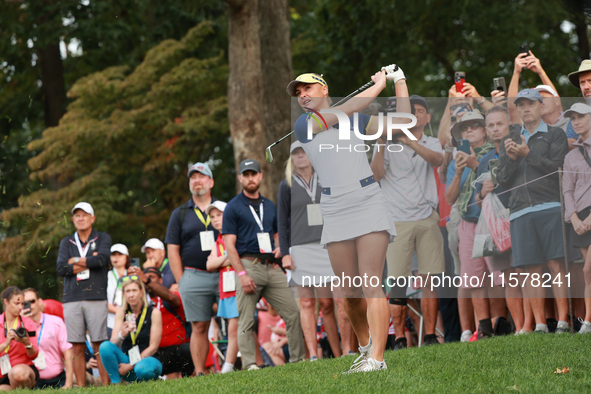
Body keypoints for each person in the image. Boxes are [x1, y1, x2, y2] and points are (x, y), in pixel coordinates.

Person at [287, 67, 409, 373]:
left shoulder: (355, 120)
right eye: (298, 93)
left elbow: (404, 123)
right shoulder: (305, 125)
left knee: (370, 282)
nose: (303, 96)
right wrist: (378, 85)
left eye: (308, 89)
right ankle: (367, 348)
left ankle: (378, 359)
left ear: (324, 89)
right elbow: (349, 107)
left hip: (367, 199)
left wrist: (399, 81)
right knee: (350, 294)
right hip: (334, 206)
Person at [371, 94, 445, 348]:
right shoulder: (386, 142)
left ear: (426, 116)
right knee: (399, 282)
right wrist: (382, 141)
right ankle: (400, 338)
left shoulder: (431, 140)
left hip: (427, 218)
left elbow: (437, 160)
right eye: (409, 111)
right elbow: (376, 175)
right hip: (398, 221)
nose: (414, 115)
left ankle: (430, 335)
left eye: (419, 110)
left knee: (430, 279)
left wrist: (408, 141)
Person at [497, 88, 570, 333]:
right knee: (530, 269)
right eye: (521, 105)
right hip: (519, 211)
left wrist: (528, 154)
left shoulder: (555, 134)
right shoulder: (510, 138)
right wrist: (512, 157)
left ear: (540, 106)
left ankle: (562, 321)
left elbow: (557, 169)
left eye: (530, 104)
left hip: (549, 205)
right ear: (517, 110)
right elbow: (503, 180)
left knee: (556, 264)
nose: (526, 108)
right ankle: (539, 324)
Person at [222, 159, 306, 371]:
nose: (250, 178)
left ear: (260, 176)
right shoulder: (232, 207)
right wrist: (241, 274)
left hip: (272, 266)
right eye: (246, 174)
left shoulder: (268, 205)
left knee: (293, 312)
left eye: (254, 174)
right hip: (248, 265)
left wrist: (279, 251)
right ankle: (251, 364)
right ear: (240, 178)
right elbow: (229, 245)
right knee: (246, 319)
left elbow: (276, 235)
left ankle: (298, 361)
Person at [277, 141, 343, 360]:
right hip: (300, 249)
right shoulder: (286, 185)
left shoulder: (326, 178)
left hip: (327, 245)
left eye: (303, 151)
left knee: (329, 303)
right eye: (295, 153)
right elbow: (282, 222)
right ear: (291, 159)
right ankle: (313, 355)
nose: (300, 156)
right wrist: (285, 252)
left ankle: (341, 352)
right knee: (306, 302)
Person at [444, 111, 504, 339]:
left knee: (497, 275)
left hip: (491, 220)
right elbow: (450, 198)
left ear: (484, 130)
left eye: (474, 126)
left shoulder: (494, 152)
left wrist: (475, 163)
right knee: (473, 278)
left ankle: (501, 322)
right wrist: (459, 171)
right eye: (464, 128)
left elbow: (500, 180)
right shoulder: (455, 160)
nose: (468, 130)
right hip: (467, 222)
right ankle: (484, 327)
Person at [473, 107, 525, 334]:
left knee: (528, 272)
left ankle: (538, 324)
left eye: (499, 124)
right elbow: (475, 200)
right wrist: (483, 192)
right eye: (491, 125)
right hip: (497, 226)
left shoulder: (520, 149)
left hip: (521, 216)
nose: (495, 129)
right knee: (508, 277)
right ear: (486, 130)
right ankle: (520, 327)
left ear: (509, 125)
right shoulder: (483, 161)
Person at [165, 162, 220, 376]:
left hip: (225, 274)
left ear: (211, 181)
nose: (197, 180)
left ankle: (246, 364)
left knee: (238, 320)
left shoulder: (224, 208)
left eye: (202, 176)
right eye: (193, 177)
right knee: (199, 326)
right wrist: (182, 280)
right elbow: (172, 251)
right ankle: (199, 371)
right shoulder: (179, 214)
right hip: (194, 276)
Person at [55, 202, 110, 386]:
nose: (80, 218)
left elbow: (102, 260)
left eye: (84, 215)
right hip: (72, 299)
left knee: (99, 344)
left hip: (96, 296)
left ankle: (105, 385)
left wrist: (76, 261)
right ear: (73, 219)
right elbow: (61, 268)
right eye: (77, 215)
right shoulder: (66, 241)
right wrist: (88, 262)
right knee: (76, 345)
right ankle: (81, 386)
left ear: (92, 218)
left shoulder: (102, 237)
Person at [127, 266, 194, 377]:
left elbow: (171, 298)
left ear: (161, 280)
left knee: (187, 349)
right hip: (155, 353)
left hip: (180, 350)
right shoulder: (141, 305)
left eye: (151, 277)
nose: (146, 280)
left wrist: (146, 280)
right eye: (143, 278)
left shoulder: (171, 297)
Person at [99, 276, 162, 384]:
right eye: (128, 291)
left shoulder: (153, 312)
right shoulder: (121, 312)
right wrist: (121, 335)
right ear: (123, 294)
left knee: (142, 369)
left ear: (141, 292)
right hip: (127, 361)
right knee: (104, 346)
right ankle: (116, 384)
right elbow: (113, 343)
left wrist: (129, 366)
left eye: (134, 290)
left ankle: (150, 379)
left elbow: (153, 348)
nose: (131, 295)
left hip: (147, 361)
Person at [562, 103, 591, 333]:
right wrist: (573, 218)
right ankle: (589, 323)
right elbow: (567, 191)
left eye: (580, 116)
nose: (576, 121)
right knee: (588, 272)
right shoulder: (571, 156)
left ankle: (588, 320)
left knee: (588, 270)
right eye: (572, 118)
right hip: (579, 218)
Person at [204, 200, 240, 373]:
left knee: (235, 327)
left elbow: (238, 256)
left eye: (219, 215)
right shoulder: (218, 239)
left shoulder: (236, 233)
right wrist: (227, 257)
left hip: (239, 286)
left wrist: (220, 260)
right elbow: (209, 265)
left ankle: (228, 366)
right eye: (212, 217)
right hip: (226, 288)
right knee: (238, 327)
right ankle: (257, 361)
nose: (215, 219)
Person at [21, 288, 73, 389]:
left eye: (32, 301)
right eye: (25, 303)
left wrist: (68, 383)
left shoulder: (56, 322)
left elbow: (68, 352)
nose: (29, 306)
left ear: (40, 302)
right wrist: (20, 323)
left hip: (58, 378)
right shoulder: (20, 327)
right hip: (33, 381)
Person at [0, 287, 38, 390]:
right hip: (3, 374)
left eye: (22, 303)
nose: (20, 307)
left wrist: (27, 343)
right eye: (16, 304)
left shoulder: (28, 323)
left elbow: (34, 355)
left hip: (24, 370)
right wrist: (6, 343)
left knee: (18, 373)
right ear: (6, 302)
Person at [107, 243, 129, 337]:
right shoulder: (105, 276)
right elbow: (102, 301)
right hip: (110, 322)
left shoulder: (133, 275)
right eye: (113, 255)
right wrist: (119, 312)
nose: (116, 258)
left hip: (130, 321)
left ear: (126, 257)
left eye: (120, 255)